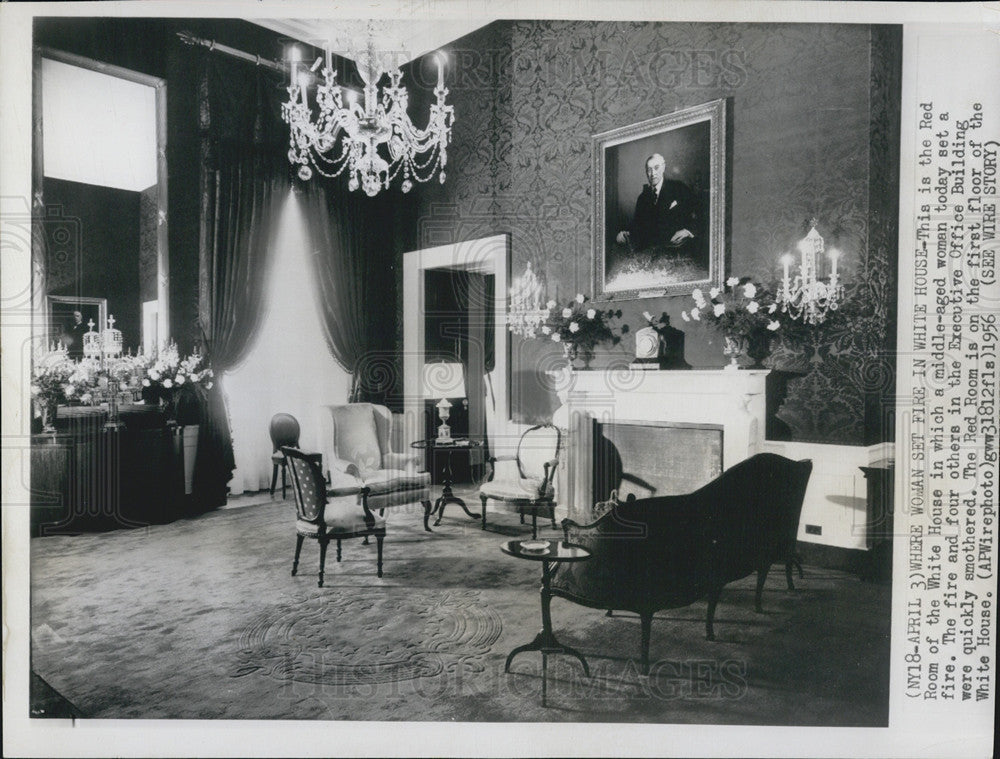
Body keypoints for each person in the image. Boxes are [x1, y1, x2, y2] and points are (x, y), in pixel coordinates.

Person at [616, 153, 699, 254]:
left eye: (656, 168)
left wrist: (688, 231)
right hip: (653, 251)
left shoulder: (678, 188)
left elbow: (698, 212)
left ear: (663, 168)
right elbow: (637, 224)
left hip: (679, 250)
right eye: (649, 169)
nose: (652, 173)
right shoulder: (643, 198)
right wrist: (624, 233)